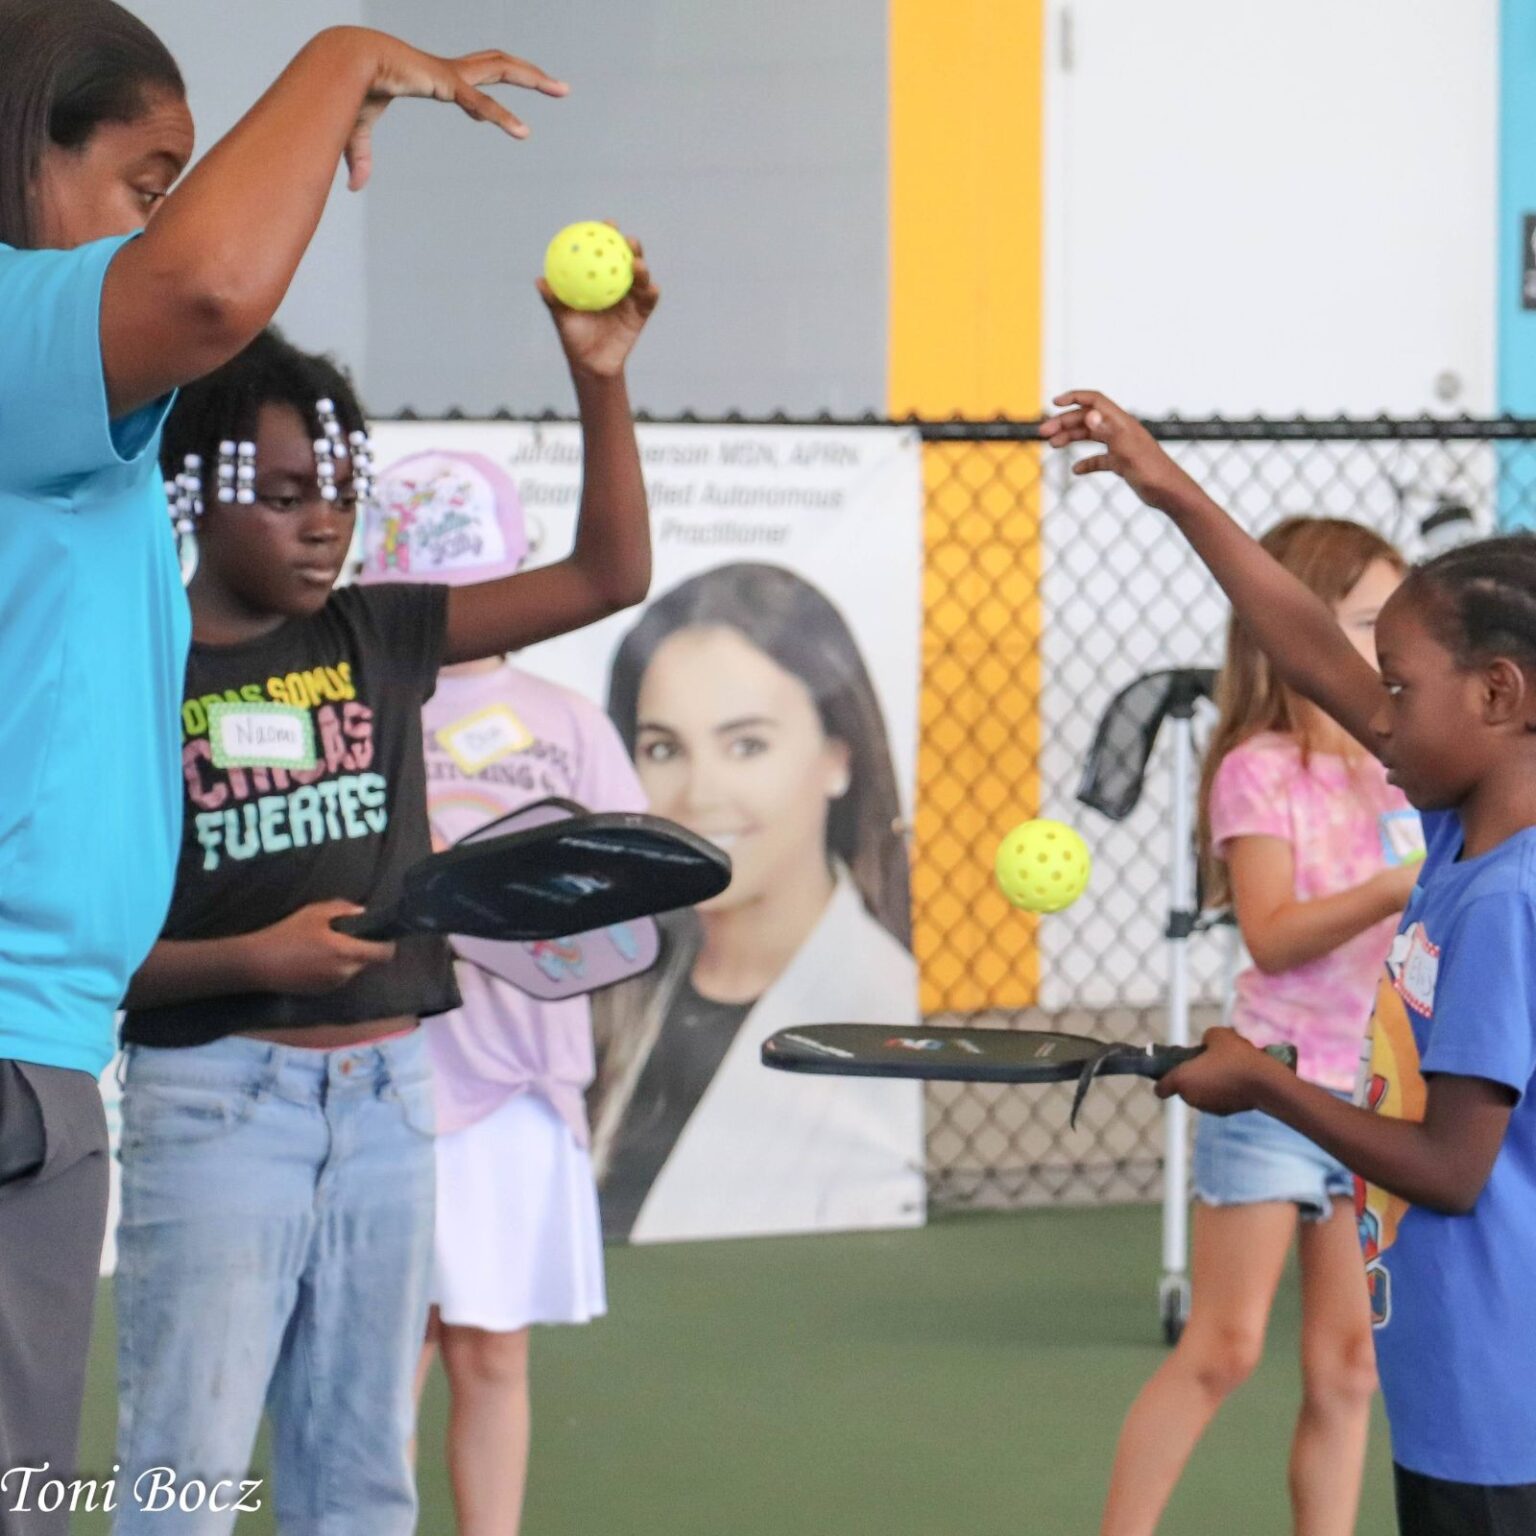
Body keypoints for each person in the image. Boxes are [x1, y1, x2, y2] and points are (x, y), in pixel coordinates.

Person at [0, 4, 559, 1525]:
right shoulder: (19, 334)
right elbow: (208, 295)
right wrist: (341, 58)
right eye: (145, 180)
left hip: (75, 1061)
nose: (168, 227)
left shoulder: (73, 425)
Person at [114, 244, 655, 1536]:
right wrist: (256, 959)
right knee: (183, 1475)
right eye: (287, 493)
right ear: (195, 488)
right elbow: (89, 957)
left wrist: (602, 383)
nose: (324, 521)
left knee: (360, 1482)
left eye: (343, 491)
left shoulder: (381, 632)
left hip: (389, 1106)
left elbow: (608, 577)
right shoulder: (142, 667)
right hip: (214, 1106)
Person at [1043, 391, 1536, 1536]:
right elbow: (1310, 653)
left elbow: (1453, 1167)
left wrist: (1265, 1082)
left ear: (1501, 696)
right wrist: (1167, 488)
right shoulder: (1468, 820)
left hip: (1497, 1409)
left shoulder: (1508, 897)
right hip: (1463, 1385)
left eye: (1403, 690)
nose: (1381, 713)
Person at [1097, 517, 1418, 1536]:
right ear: (1301, 628)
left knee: (1350, 1365)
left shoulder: (1409, 765)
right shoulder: (1258, 766)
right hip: (1273, 1092)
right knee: (1225, 1348)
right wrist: (1394, 886)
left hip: (1379, 1101)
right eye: (1373, 620)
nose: (1396, 644)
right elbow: (1273, 937)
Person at [354, 451, 646, 1536]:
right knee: (383, 1351)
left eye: (480, 579)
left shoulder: (567, 719)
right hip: (385, 1068)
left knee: (492, 1345)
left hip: (519, 1086)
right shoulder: (365, 705)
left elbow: (633, 890)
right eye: (440, 589)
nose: (465, 610)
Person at [590, 561, 923, 1242]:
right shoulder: (615, 983)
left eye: (746, 744)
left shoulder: (882, 1004)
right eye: (663, 748)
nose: (700, 793)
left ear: (839, 757)